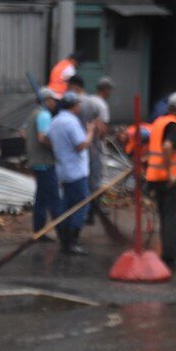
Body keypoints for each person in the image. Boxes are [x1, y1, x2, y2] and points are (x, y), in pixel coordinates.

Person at [147, 92, 176, 268]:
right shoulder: (173, 125)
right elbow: (167, 147)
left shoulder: (159, 122)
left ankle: (167, 253)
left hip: (156, 178)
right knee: (173, 218)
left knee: (165, 216)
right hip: (170, 179)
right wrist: (169, 172)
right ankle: (170, 257)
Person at [47, 91, 94, 255]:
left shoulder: (55, 121)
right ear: (74, 105)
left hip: (63, 169)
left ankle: (65, 240)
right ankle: (72, 241)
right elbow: (80, 145)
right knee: (81, 205)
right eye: (78, 104)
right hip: (76, 171)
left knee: (67, 206)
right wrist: (90, 133)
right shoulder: (71, 122)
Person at [25, 87, 63, 238]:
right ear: (46, 100)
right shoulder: (44, 115)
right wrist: (57, 149)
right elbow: (42, 138)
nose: (55, 103)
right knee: (54, 200)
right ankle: (64, 234)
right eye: (53, 100)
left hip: (36, 161)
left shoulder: (33, 114)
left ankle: (39, 231)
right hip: (45, 162)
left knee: (41, 199)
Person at [82, 77, 114, 223]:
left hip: (85, 143)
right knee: (97, 179)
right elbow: (102, 129)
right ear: (106, 89)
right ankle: (93, 211)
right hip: (96, 146)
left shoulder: (89, 100)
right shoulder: (102, 106)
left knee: (87, 178)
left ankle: (88, 209)